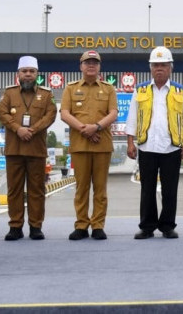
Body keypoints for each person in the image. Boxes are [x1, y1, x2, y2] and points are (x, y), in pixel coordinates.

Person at [125, 46, 183, 239]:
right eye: (155, 65)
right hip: (147, 146)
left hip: (171, 147)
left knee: (170, 189)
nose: (159, 69)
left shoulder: (180, 91)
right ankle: (147, 226)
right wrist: (130, 142)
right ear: (150, 68)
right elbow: (132, 118)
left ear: (171, 67)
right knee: (147, 189)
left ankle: (167, 226)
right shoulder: (140, 90)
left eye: (163, 65)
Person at [0, 56, 57, 241]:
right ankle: (15, 226)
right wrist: (18, 129)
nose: (28, 75)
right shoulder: (9, 93)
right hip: (14, 149)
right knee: (14, 190)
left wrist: (33, 129)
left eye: (32, 71)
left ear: (37, 74)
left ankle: (35, 226)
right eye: (25, 71)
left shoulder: (47, 95)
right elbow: (2, 112)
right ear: (18, 74)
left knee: (37, 190)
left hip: (36, 149)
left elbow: (50, 115)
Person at [61, 50, 118, 241]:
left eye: (95, 62)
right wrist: (84, 129)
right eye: (87, 62)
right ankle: (81, 225)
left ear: (99, 66)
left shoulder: (109, 89)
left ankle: (98, 225)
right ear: (81, 66)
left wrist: (97, 127)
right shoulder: (70, 88)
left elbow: (113, 113)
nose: (91, 65)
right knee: (82, 188)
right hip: (80, 144)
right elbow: (65, 113)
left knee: (100, 188)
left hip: (102, 145)